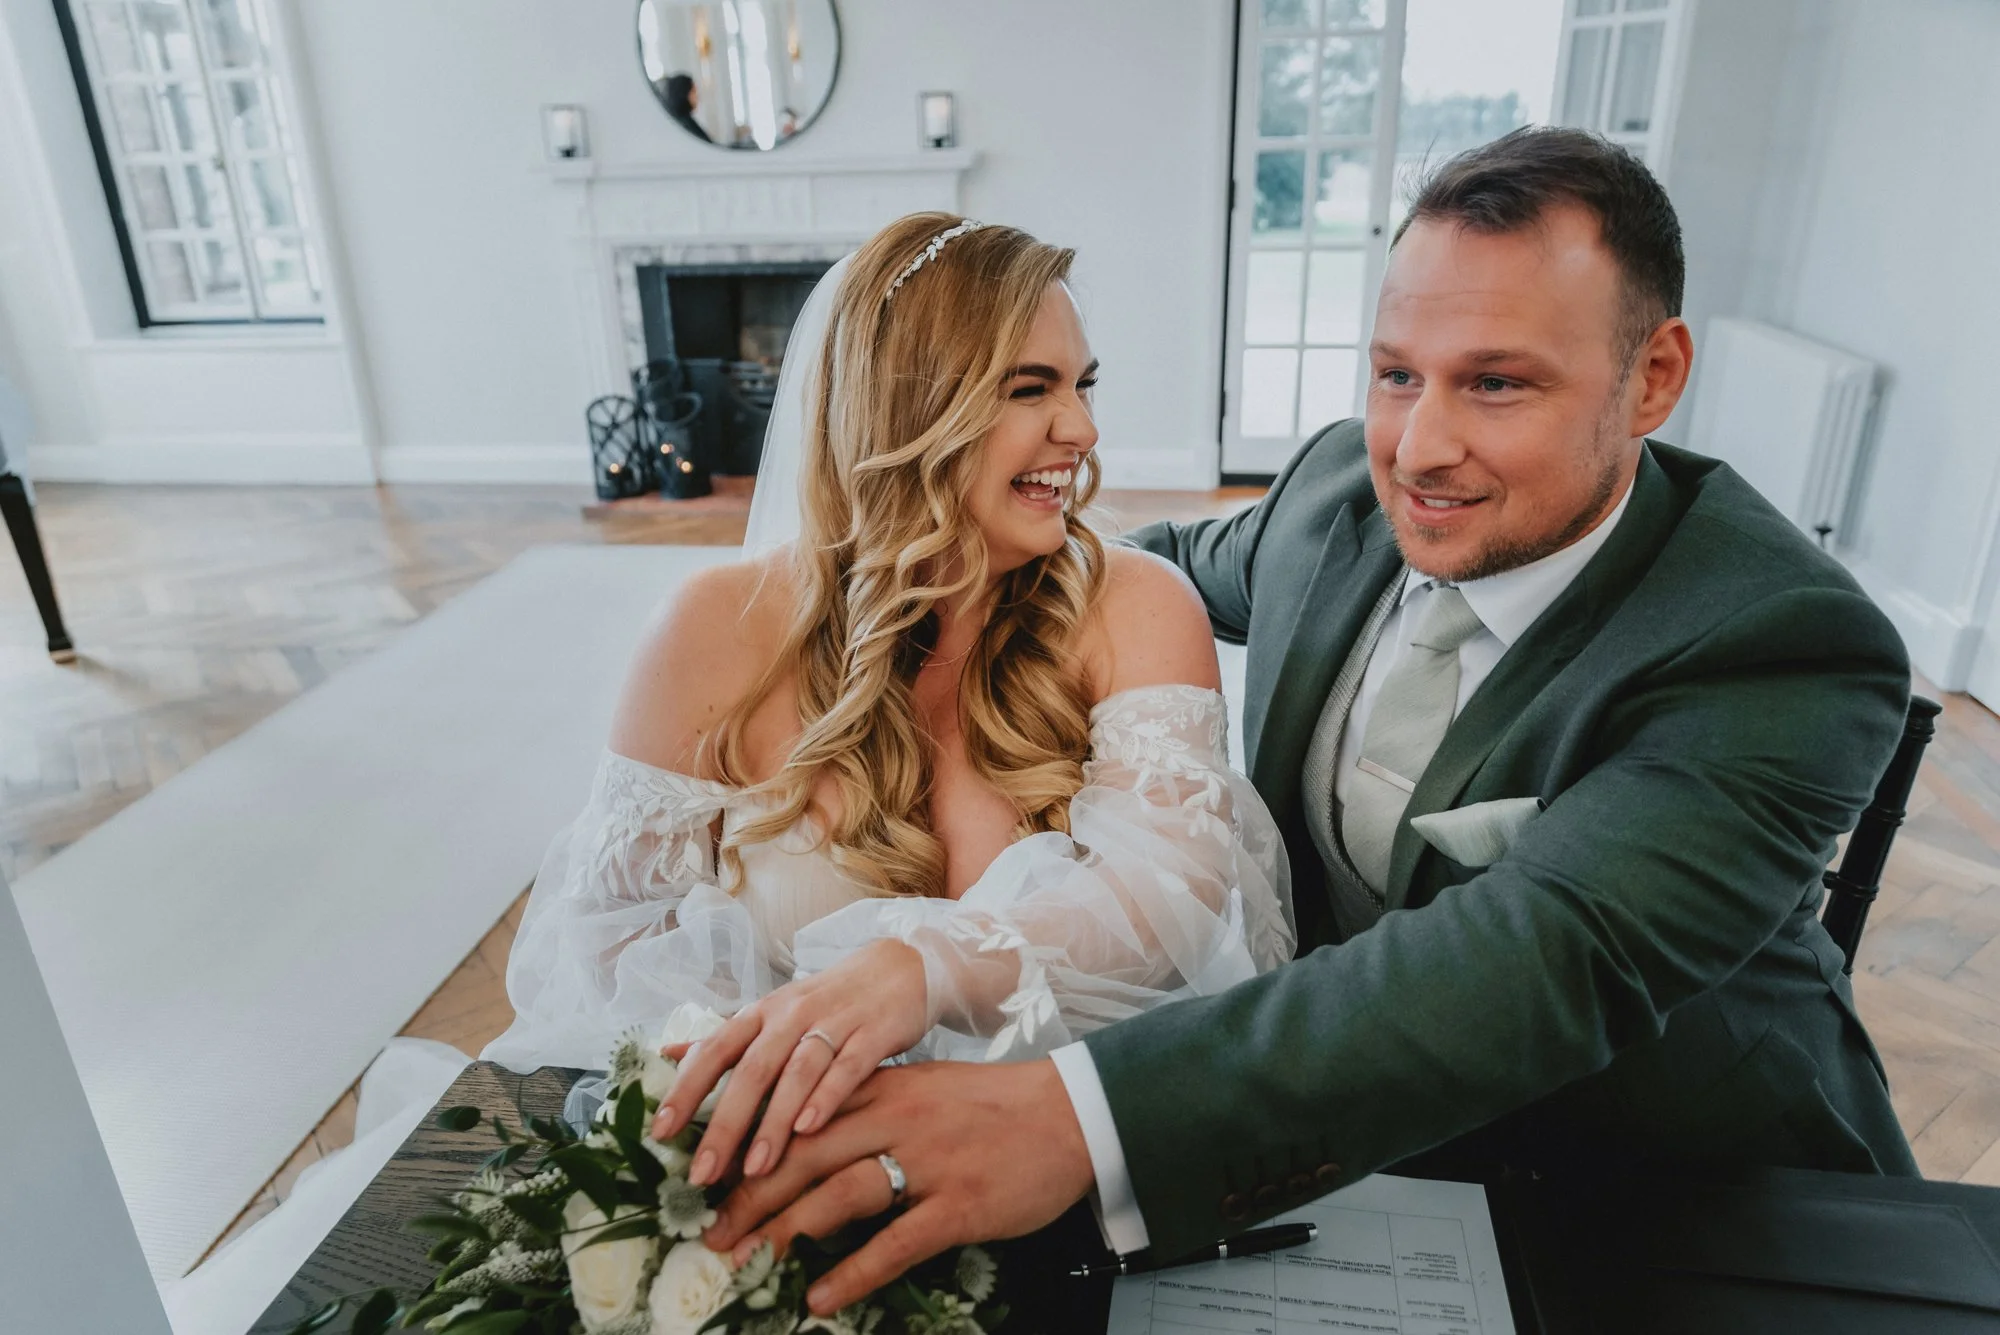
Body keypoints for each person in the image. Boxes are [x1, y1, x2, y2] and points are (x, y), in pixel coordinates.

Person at [696, 127, 1919, 1317]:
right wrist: (910, 592)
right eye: (1396, 374)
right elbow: (1130, 570)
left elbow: (1540, 958)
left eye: (1495, 383)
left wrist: (1077, 1119)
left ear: (1650, 377)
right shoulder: (1336, 488)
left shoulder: (1779, 643)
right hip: (1341, 1158)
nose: (1419, 449)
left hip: (1681, 1194)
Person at [484, 214, 1294, 1190]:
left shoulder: (1136, 605)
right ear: (906, 410)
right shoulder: (712, 628)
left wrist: (928, 970)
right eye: (1028, 388)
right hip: (779, 1155)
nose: (1080, 430)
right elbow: (614, 946)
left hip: (1046, 1163)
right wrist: (762, 1091)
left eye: (1081, 386)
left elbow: (1172, 894)